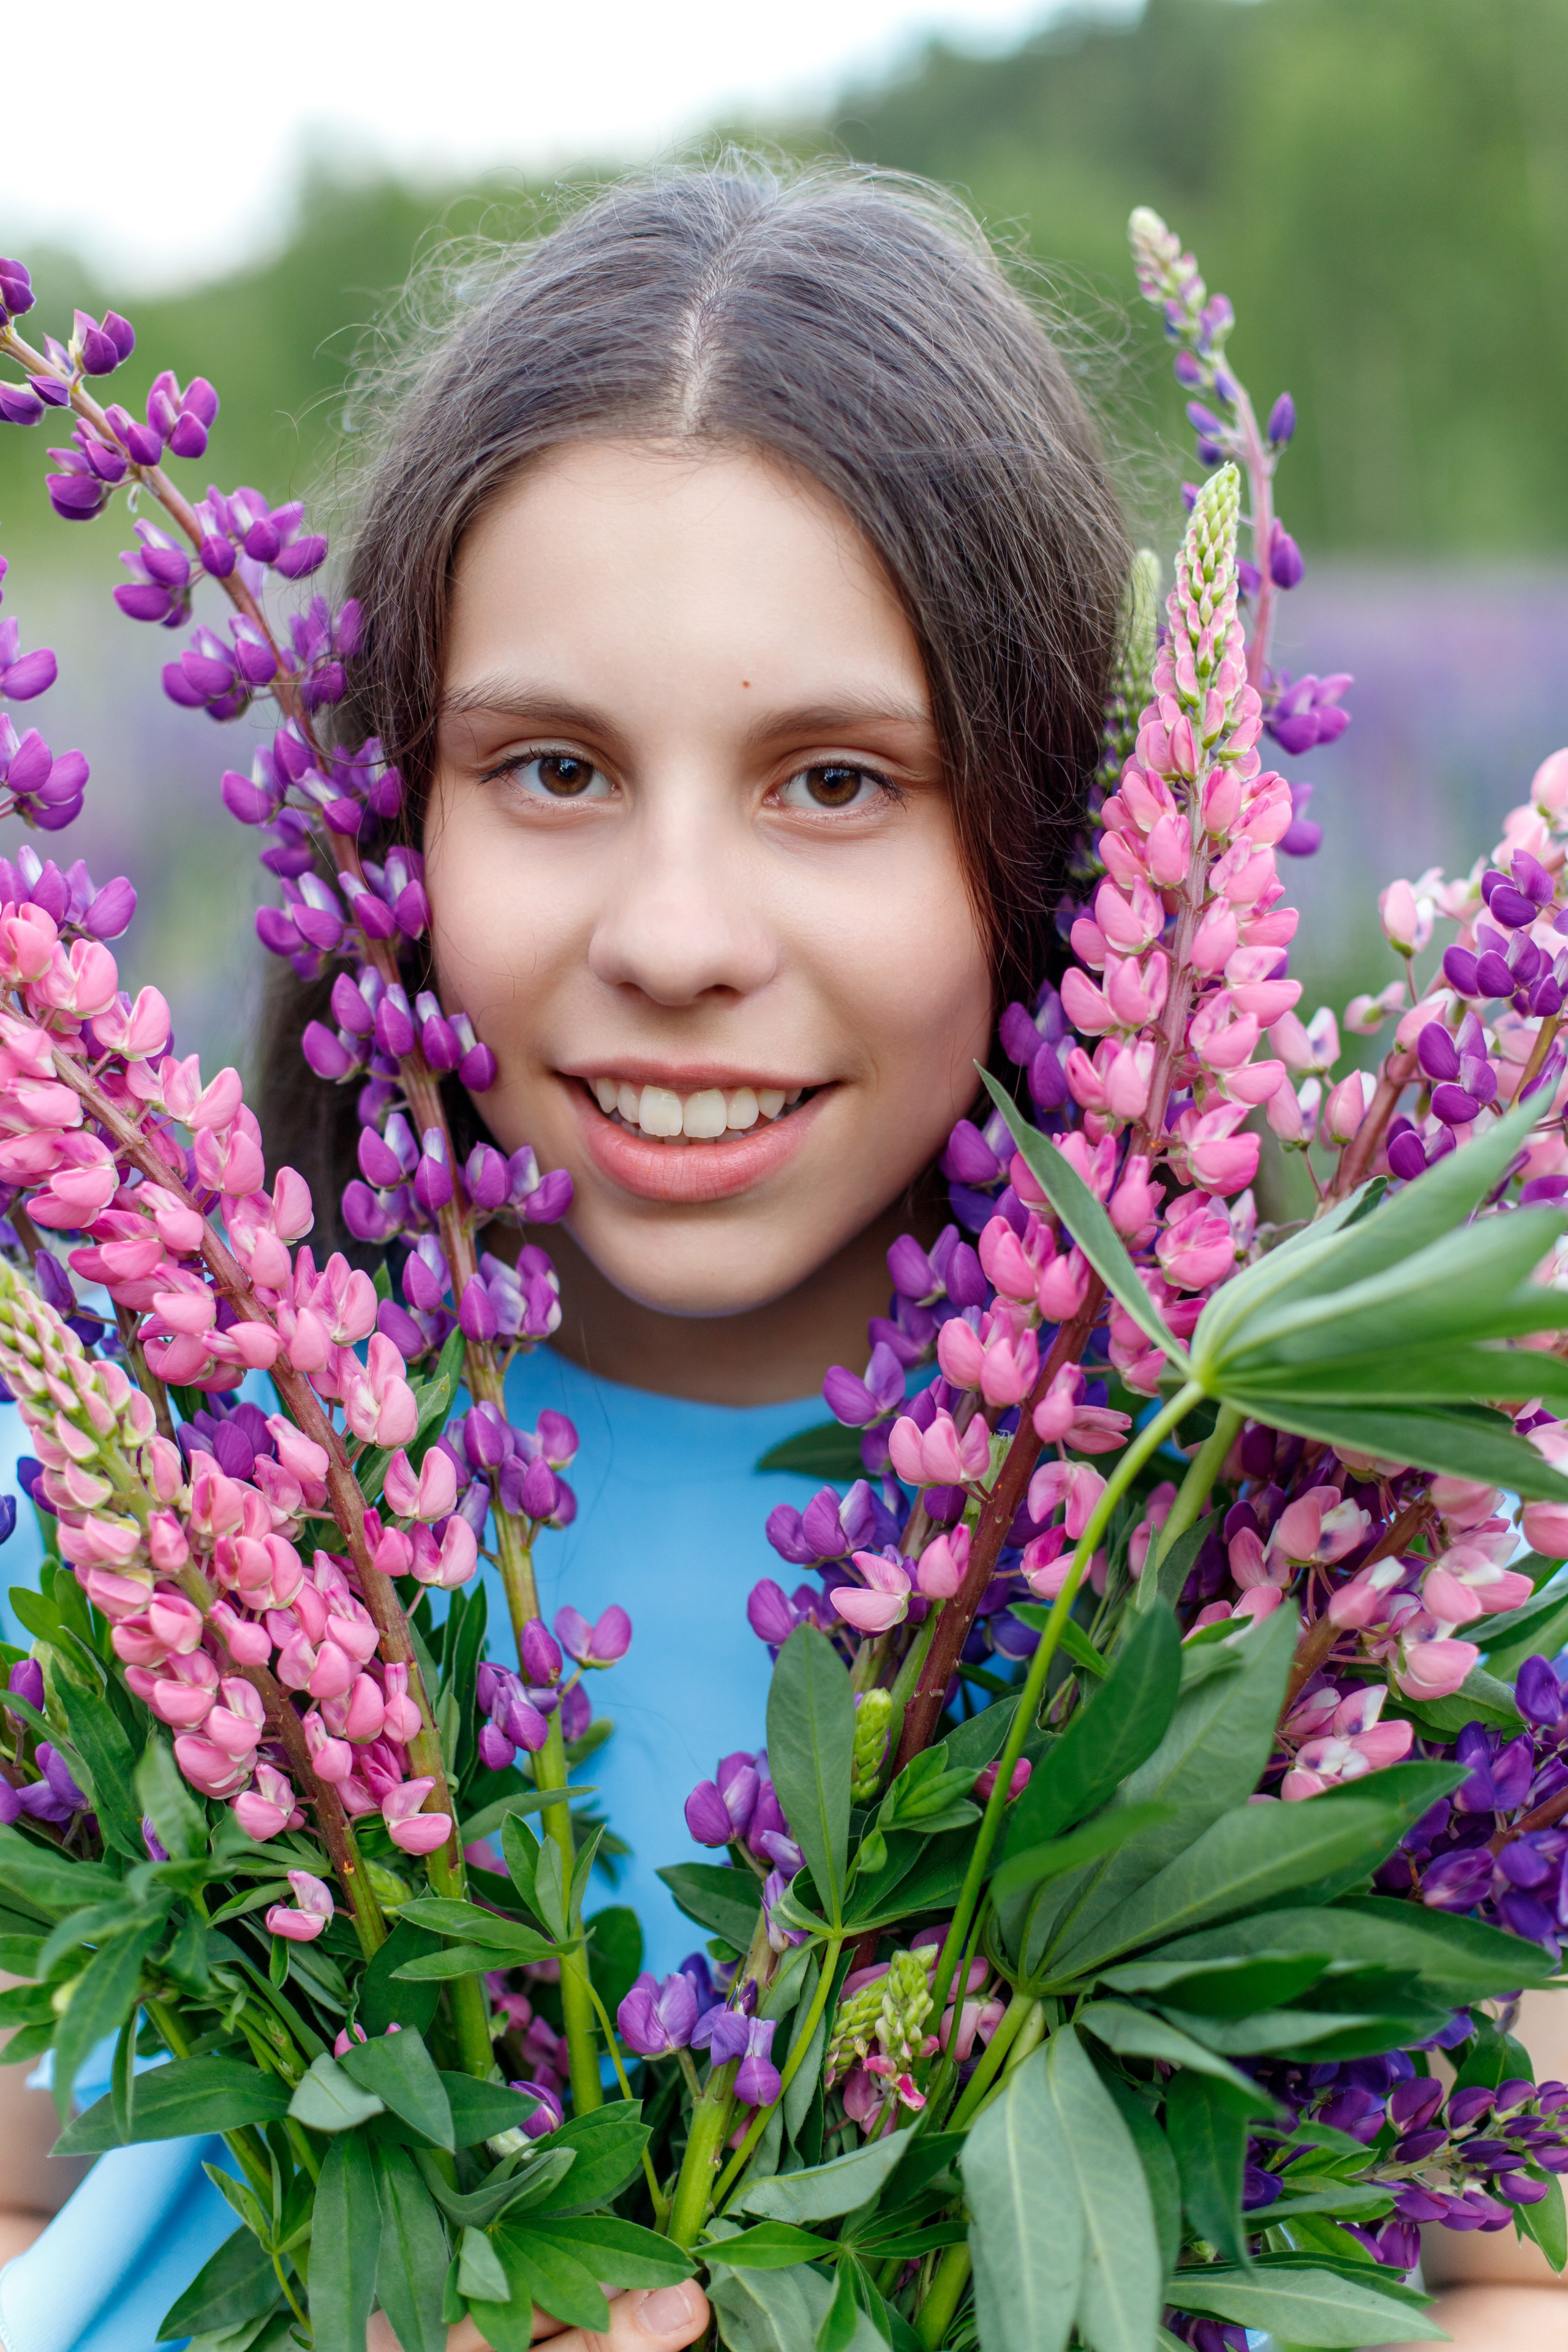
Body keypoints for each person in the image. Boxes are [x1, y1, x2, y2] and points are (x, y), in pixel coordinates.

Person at [0, 157, 1555, 2352]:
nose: (678, 939)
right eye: (552, 766)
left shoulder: (1300, 1544)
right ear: (387, 814)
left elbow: (1510, 2272)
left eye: (834, 782)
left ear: (1062, 836)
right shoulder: (140, 1497)